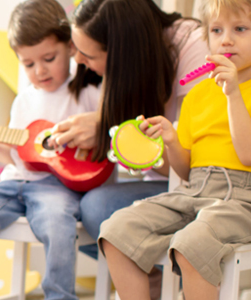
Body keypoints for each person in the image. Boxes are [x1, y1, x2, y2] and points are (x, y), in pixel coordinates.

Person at [99, 1, 251, 299]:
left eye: (241, 29)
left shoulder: (236, 91)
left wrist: (232, 93)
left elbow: (246, 155)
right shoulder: (198, 95)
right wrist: (170, 140)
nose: (226, 39)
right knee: (117, 230)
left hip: (243, 200)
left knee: (193, 241)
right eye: (216, 30)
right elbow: (185, 170)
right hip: (194, 191)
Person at [0, 0, 101, 299]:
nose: (39, 71)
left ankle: (60, 295)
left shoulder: (87, 92)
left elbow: (103, 143)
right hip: (14, 183)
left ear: (70, 46)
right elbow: (21, 159)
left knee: (58, 223)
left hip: (57, 188)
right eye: (29, 64)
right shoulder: (24, 101)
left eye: (48, 58)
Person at [53, 0, 209, 261]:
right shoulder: (118, 66)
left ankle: (158, 276)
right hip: (161, 186)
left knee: (96, 209)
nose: (78, 61)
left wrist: (111, 131)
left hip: (197, 189)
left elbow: (195, 166)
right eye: (75, 48)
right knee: (67, 211)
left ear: (124, 55)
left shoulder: (194, 50)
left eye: (89, 55)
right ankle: (152, 276)